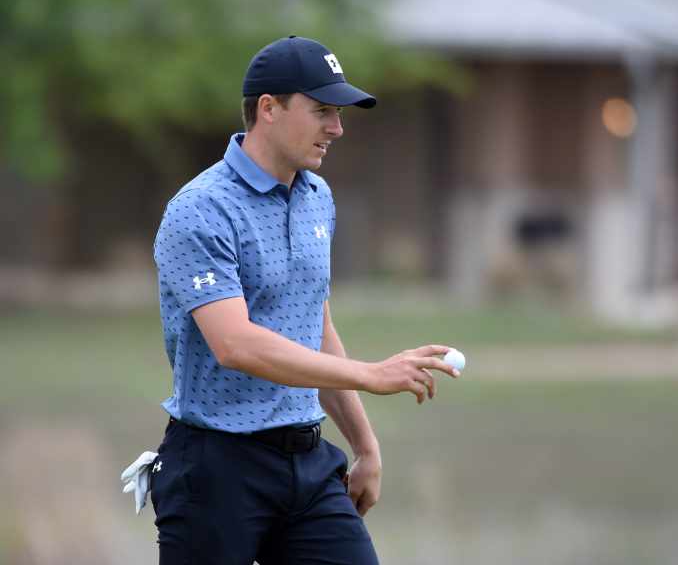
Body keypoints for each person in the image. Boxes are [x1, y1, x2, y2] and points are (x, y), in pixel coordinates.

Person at [148, 36, 459, 565]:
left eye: (337, 114)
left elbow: (314, 324)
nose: (336, 129)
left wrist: (364, 445)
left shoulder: (318, 198)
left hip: (308, 466)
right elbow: (235, 344)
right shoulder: (200, 210)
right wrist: (371, 374)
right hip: (216, 471)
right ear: (268, 109)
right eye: (321, 112)